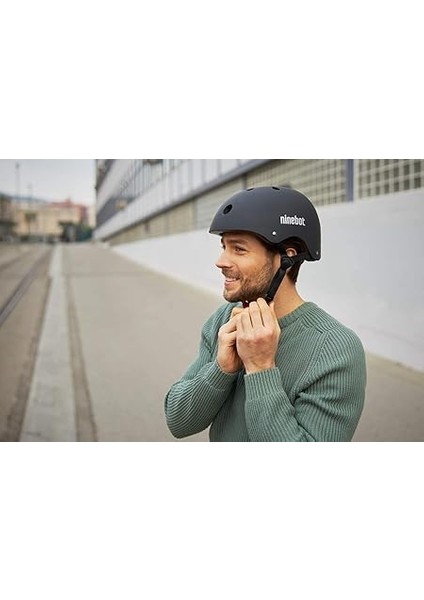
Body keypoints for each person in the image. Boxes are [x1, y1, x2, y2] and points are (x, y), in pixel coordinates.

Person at [164, 186, 366, 442]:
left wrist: (260, 368)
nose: (221, 261)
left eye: (239, 249)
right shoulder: (224, 320)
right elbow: (178, 421)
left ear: (286, 258)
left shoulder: (335, 348)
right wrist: (221, 369)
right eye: (224, 246)